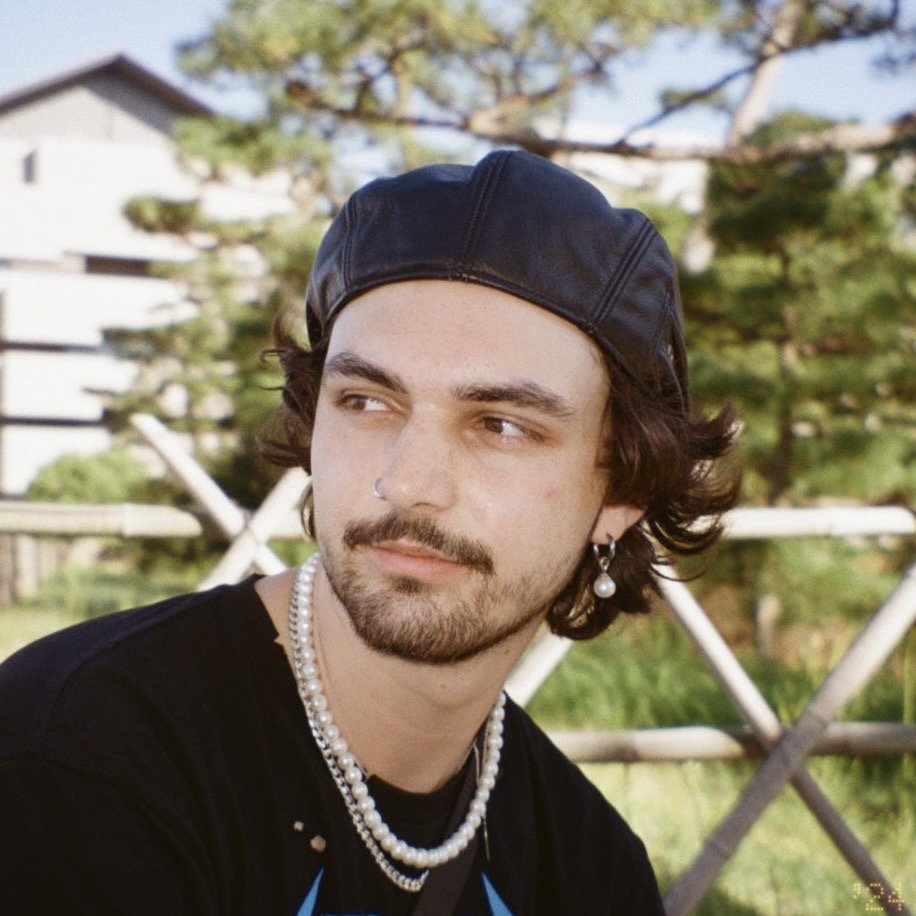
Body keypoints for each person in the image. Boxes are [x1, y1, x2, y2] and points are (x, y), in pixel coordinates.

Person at [0, 150, 738, 914]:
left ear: (623, 488)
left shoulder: (586, 866)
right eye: (366, 401)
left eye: (503, 425)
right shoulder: (78, 765)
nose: (408, 480)